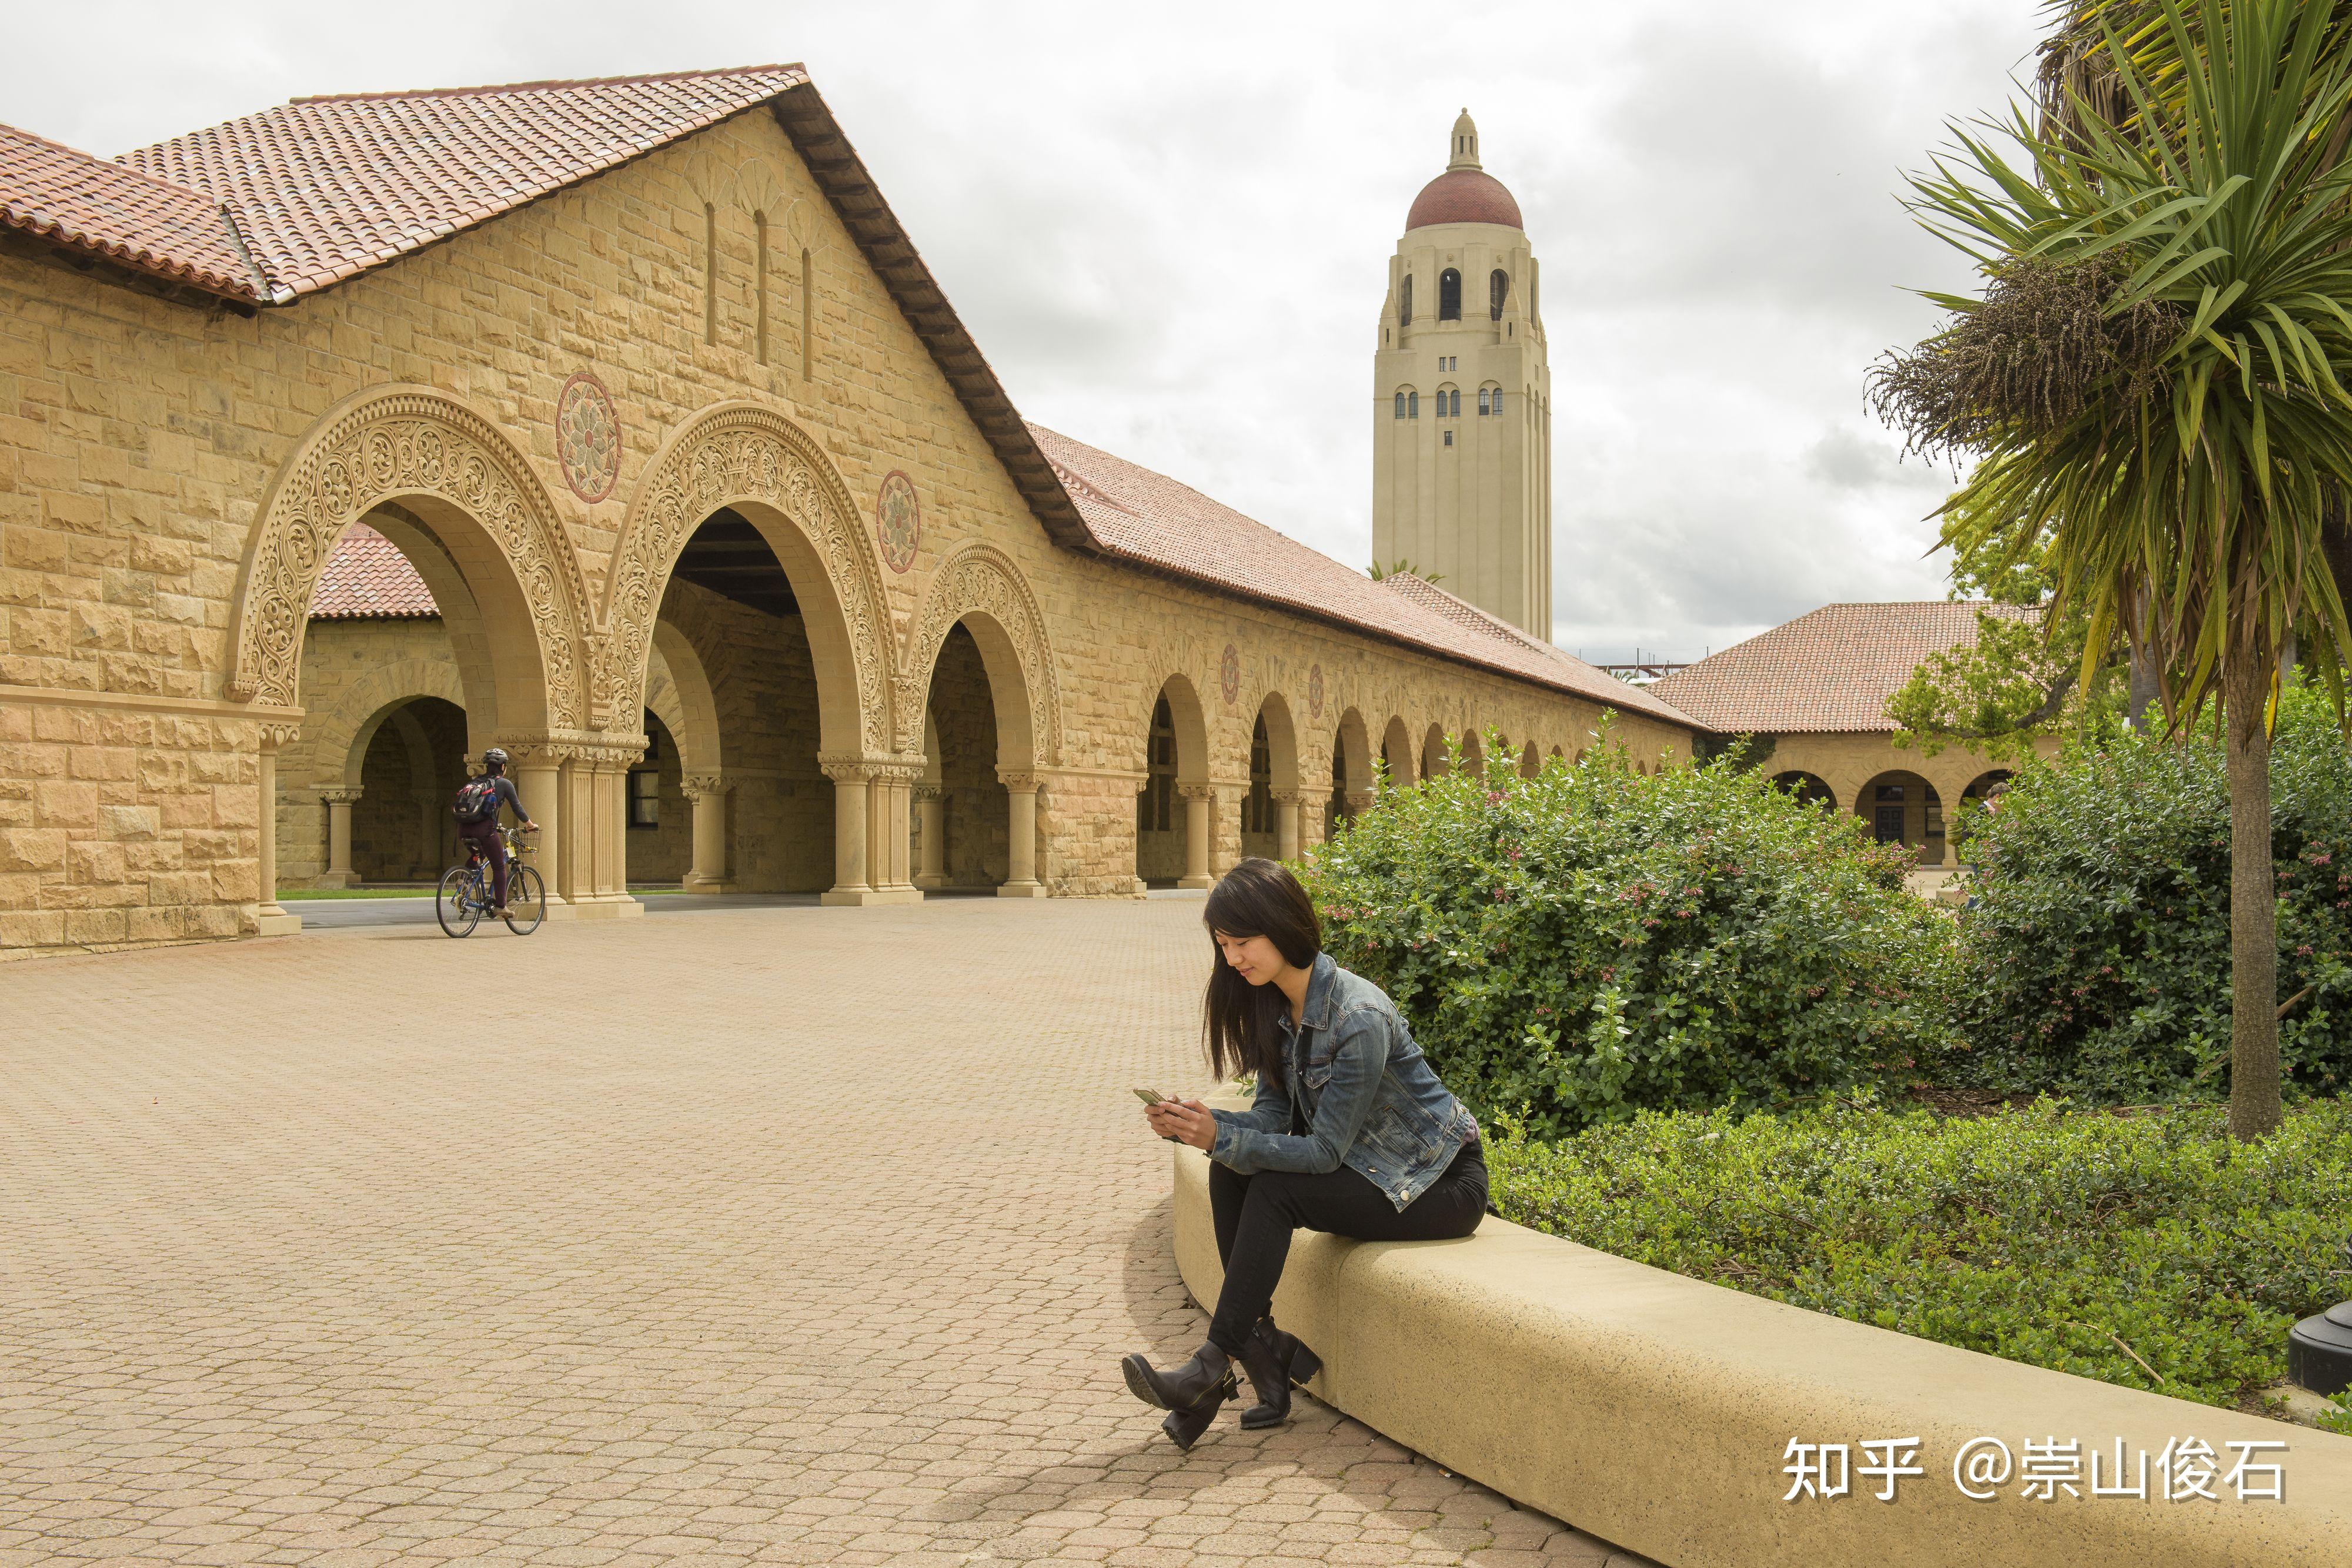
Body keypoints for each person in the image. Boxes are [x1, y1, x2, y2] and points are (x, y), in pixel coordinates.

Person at [1123, 857, 1486, 1450]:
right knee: (1231, 1171)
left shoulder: (1358, 1016)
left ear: (1282, 926)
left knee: (1272, 1187)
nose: (1232, 959)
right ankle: (1262, 1353)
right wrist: (1202, 1127)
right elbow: (1273, 1120)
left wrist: (1222, 1137)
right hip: (1372, 1173)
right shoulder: (1276, 1007)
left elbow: (1322, 1153)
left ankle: (1211, 1366)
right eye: (1223, 945)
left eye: (1242, 942)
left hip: (1438, 1186)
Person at [457, 747, 536, 917]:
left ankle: (464, 881)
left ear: (487, 766)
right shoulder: (504, 784)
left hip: (463, 829)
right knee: (499, 866)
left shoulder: (477, 782)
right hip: (485, 831)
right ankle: (501, 906)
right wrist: (530, 825)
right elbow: (517, 808)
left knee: (478, 854)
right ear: (503, 767)